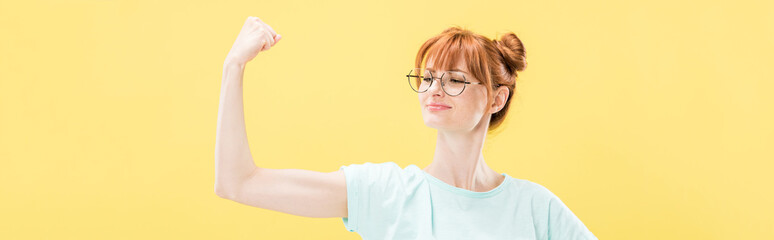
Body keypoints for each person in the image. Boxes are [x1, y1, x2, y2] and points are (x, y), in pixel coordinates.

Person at [215, 16, 598, 240]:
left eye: (455, 80)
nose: (434, 90)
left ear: (496, 99)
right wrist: (233, 67)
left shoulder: (535, 208)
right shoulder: (385, 193)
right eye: (428, 77)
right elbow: (238, 183)